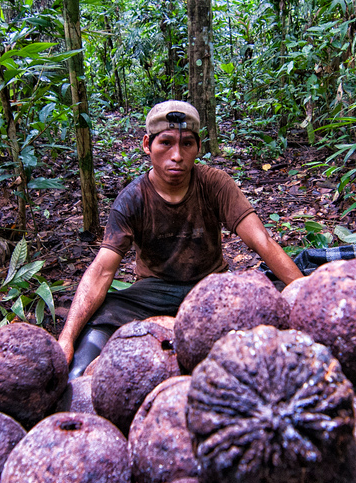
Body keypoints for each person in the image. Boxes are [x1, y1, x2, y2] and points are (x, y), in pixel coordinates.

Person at [58, 100, 303, 378]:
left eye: (187, 144)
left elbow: (262, 242)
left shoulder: (214, 184)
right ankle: (78, 376)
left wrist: (302, 295)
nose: (177, 155)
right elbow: (102, 270)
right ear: (147, 144)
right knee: (102, 317)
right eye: (166, 143)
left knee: (266, 299)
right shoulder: (132, 199)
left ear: (198, 147)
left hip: (210, 286)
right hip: (154, 292)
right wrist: (66, 339)